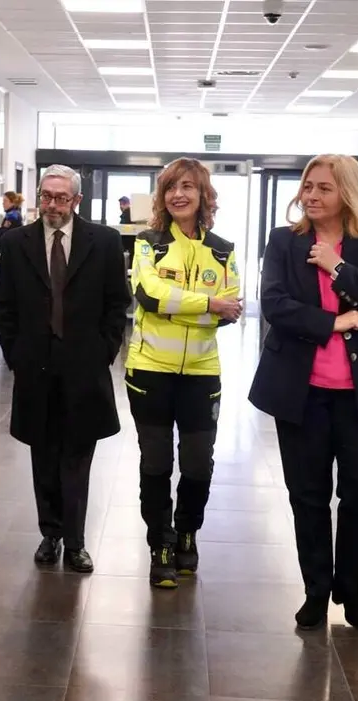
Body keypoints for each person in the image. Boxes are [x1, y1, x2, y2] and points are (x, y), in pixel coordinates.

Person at [248, 154, 358, 631]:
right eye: (307, 187)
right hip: (300, 390)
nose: (311, 196)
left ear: (347, 193)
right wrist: (334, 322)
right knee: (307, 493)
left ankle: (350, 587)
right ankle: (316, 591)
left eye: (323, 188)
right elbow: (275, 304)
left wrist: (338, 267)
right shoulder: (284, 240)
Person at [0, 164, 130, 573]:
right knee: (44, 454)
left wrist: (103, 350)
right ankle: (49, 533)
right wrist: (15, 355)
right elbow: (7, 306)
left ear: (77, 201)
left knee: (77, 456)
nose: (53, 205)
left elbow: (116, 303)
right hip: (35, 366)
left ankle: (75, 541)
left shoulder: (103, 241)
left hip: (84, 368)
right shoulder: (17, 243)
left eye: (61, 198)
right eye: (47, 197)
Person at [124, 158, 243, 588]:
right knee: (156, 462)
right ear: (162, 195)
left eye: (188, 187)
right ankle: (160, 543)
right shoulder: (148, 243)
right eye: (172, 187)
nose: (179, 194)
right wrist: (207, 305)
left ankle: (187, 532)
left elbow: (233, 308)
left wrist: (187, 307)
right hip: (149, 370)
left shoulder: (223, 249)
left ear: (203, 195)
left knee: (197, 464)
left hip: (201, 373)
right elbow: (151, 296)